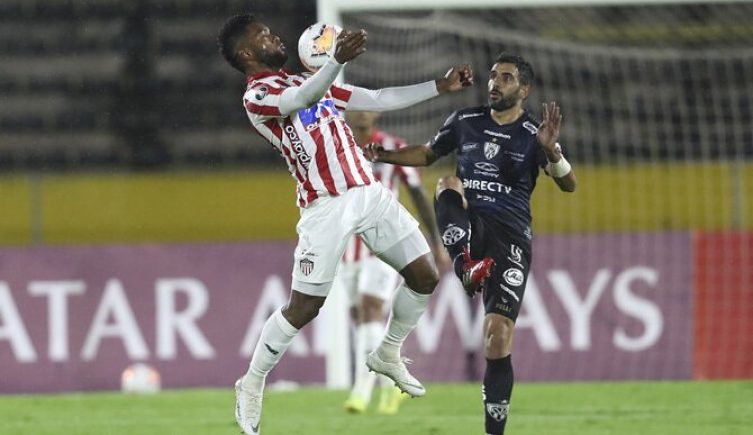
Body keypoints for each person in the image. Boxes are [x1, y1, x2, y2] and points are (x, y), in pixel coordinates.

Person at [216, 14, 473, 434]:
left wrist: (438, 86)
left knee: (425, 276)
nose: (274, 34)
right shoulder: (258, 96)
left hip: (368, 192)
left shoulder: (306, 77)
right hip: (325, 206)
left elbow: (374, 98)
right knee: (305, 307)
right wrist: (334, 60)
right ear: (246, 53)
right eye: (263, 35)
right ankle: (252, 381)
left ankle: (387, 353)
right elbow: (298, 101)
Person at [364, 53, 577, 434]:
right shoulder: (465, 121)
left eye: (506, 78)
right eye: (493, 76)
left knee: (497, 339)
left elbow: (568, 183)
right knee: (447, 184)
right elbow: (429, 154)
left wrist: (551, 152)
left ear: (523, 90)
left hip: (510, 236)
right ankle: (465, 269)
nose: (495, 83)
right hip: (467, 223)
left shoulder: (534, 134)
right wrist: (386, 155)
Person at [339, 111, 449, 415]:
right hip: (349, 249)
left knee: (370, 309)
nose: (361, 111)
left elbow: (417, 194)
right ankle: (390, 388)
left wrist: (436, 243)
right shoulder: (337, 144)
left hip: (384, 246)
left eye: (367, 106)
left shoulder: (391, 147)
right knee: (360, 317)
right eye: (356, 105)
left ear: (376, 112)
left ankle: (360, 392)